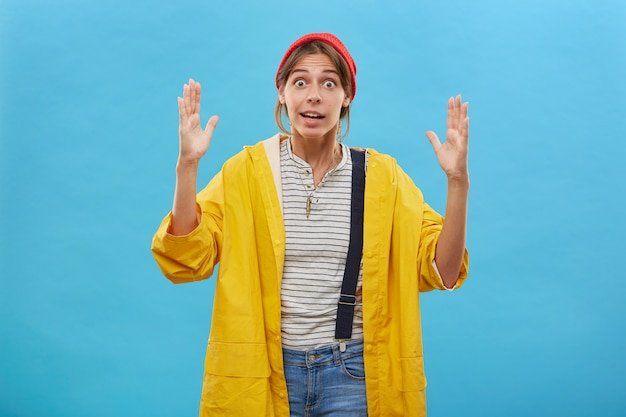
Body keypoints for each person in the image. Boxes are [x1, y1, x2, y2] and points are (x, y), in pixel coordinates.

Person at [151, 32, 469, 417]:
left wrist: (457, 183)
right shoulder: (248, 172)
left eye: (328, 83)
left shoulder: (382, 177)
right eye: (300, 82)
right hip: (266, 373)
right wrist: (187, 167)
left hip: (354, 375)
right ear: (282, 93)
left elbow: (446, 271)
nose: (313, 95)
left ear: (346, 96)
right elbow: (187, 258)